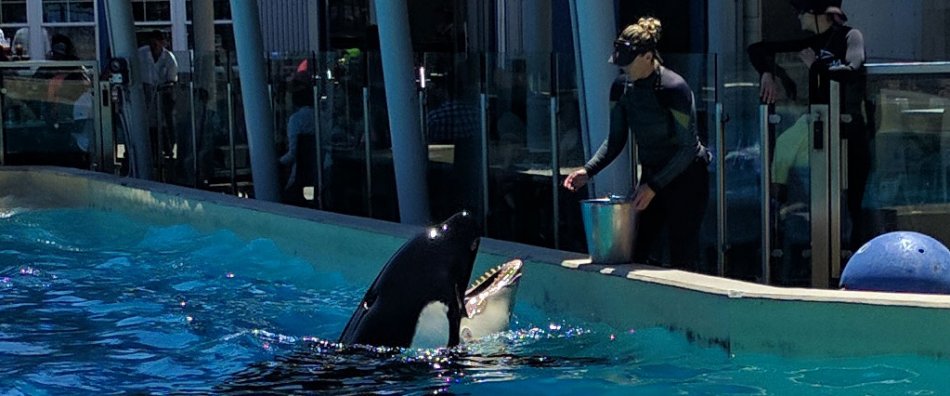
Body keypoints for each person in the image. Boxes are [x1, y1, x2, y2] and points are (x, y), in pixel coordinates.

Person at [563, 17, 710, 269]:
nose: (623, 69)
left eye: (628, 64)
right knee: (635, 250)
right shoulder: (621, 88)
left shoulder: (674, 88)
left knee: (682, 255)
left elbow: (688, 148)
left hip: (686, 177)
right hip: (653, 175)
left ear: (647, 56)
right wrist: (588, 170)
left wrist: (653, 186)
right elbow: (615, 139)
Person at [747, 0, 870, 250]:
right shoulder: (809, 42)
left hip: (850, 134)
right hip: (820, 136)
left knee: (854, 203)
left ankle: (853, 257)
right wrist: (768, 73)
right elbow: (757, 50)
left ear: (817, 14)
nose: (799, 18)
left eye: (801, 12)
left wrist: (816, 65)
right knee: (817, 200)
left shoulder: (849, 35)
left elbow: (852, 68)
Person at [138, 30, 179, 159]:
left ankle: (169, 150)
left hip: (162, 93)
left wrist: (167, 88)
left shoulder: (169, 58)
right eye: (152, 43)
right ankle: (149, 151)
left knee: (165, 123)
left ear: (163, 43)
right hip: (145, 93)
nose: (154, 46)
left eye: (157, 43)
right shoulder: (141, 54)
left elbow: (172, 78)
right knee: (147, 123)